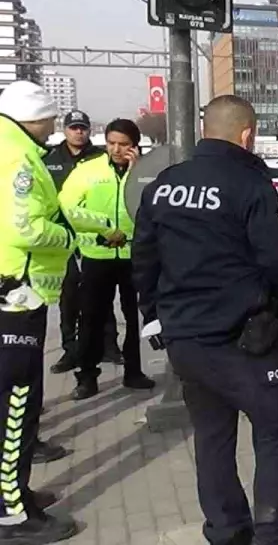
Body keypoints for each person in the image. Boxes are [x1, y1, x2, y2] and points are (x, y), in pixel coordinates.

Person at [131, 95, 278, 545]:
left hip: (185, 339)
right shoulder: (250, 184)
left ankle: (225, 530)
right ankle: (277, 534)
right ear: (246, 135)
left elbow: (143, 256)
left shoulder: (164, 185)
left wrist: (153, 315)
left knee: (212, 435)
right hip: (243, 338)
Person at [0, 81, 86, 543]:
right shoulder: (17, 158)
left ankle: (15, 493)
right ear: (31, 117)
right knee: (15, 403)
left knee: (14, 400)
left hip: (10, 293)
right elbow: (25, 227)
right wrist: (66, 238)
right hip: (16, 296)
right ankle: (12, 513)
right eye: (50, 119)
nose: (54, 128)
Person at [60, 119, 156, 400]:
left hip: (133, 256)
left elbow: (148, 204)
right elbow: (68, 206)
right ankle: (87, 376)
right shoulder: (87, 170)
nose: (116, 149)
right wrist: (103, 228)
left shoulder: (144, 172)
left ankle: (134, 371)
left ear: (135, 145)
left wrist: (135, 172)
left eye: (123, 144)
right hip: (97, 255)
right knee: (91, 318)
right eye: (111, 142)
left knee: (134, 317)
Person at [42, 110, 107, 377]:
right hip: (62, 237)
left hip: (95, 235)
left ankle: (108, 347)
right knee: (68, 296)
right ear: (65, 130)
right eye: (73, 128)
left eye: (82, 128)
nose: (78, 132)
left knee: (100, 295)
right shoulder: (49, 159)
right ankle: (71, 350)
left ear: (88, 130)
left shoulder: (100, 157)